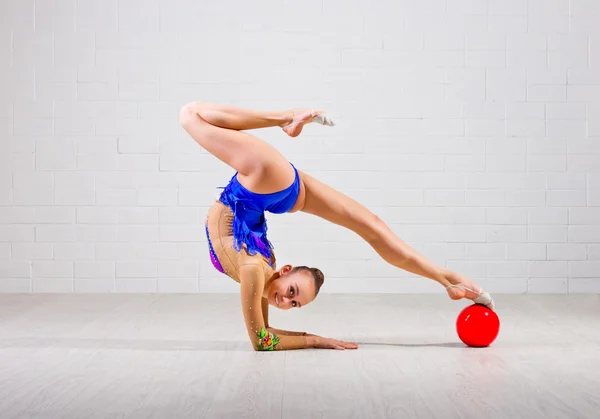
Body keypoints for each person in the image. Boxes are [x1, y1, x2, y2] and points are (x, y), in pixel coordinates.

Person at [179, 102, 495, 352]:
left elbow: (263, 340)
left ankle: (287, 118)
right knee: (370, 225)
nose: (286, 301)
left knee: (191, 114)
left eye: (292, 297)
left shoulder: (255, 273)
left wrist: (313, 340)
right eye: (294, 298)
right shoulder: (262, 270)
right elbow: (265, 336)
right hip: (268, 186)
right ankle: (446, 279)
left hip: (262, 186)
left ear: (284, 269)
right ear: (284, 270)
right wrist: (318, 339)